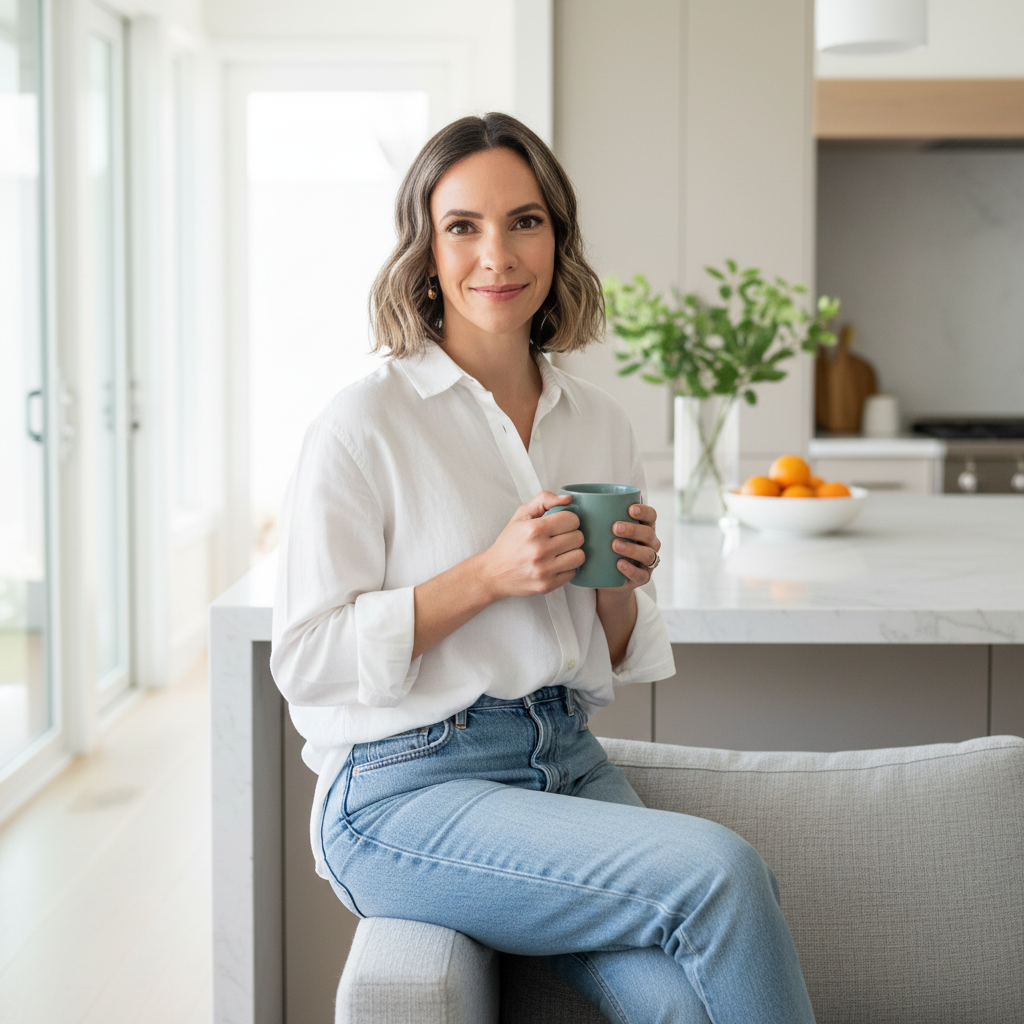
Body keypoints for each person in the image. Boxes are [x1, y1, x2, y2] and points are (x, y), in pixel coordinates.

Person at [271, 112, 816, 1024]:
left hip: (563, 756)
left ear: (558, 237)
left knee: (682, 1004)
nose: (498, 254)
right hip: (405, 788)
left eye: (525, 221)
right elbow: (306, 657)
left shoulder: (597, 419)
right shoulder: (362, 423)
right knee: (721, 872)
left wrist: (616, 585)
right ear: (425, 248)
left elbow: (608, 653)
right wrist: (486, 575)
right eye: (463, 226)